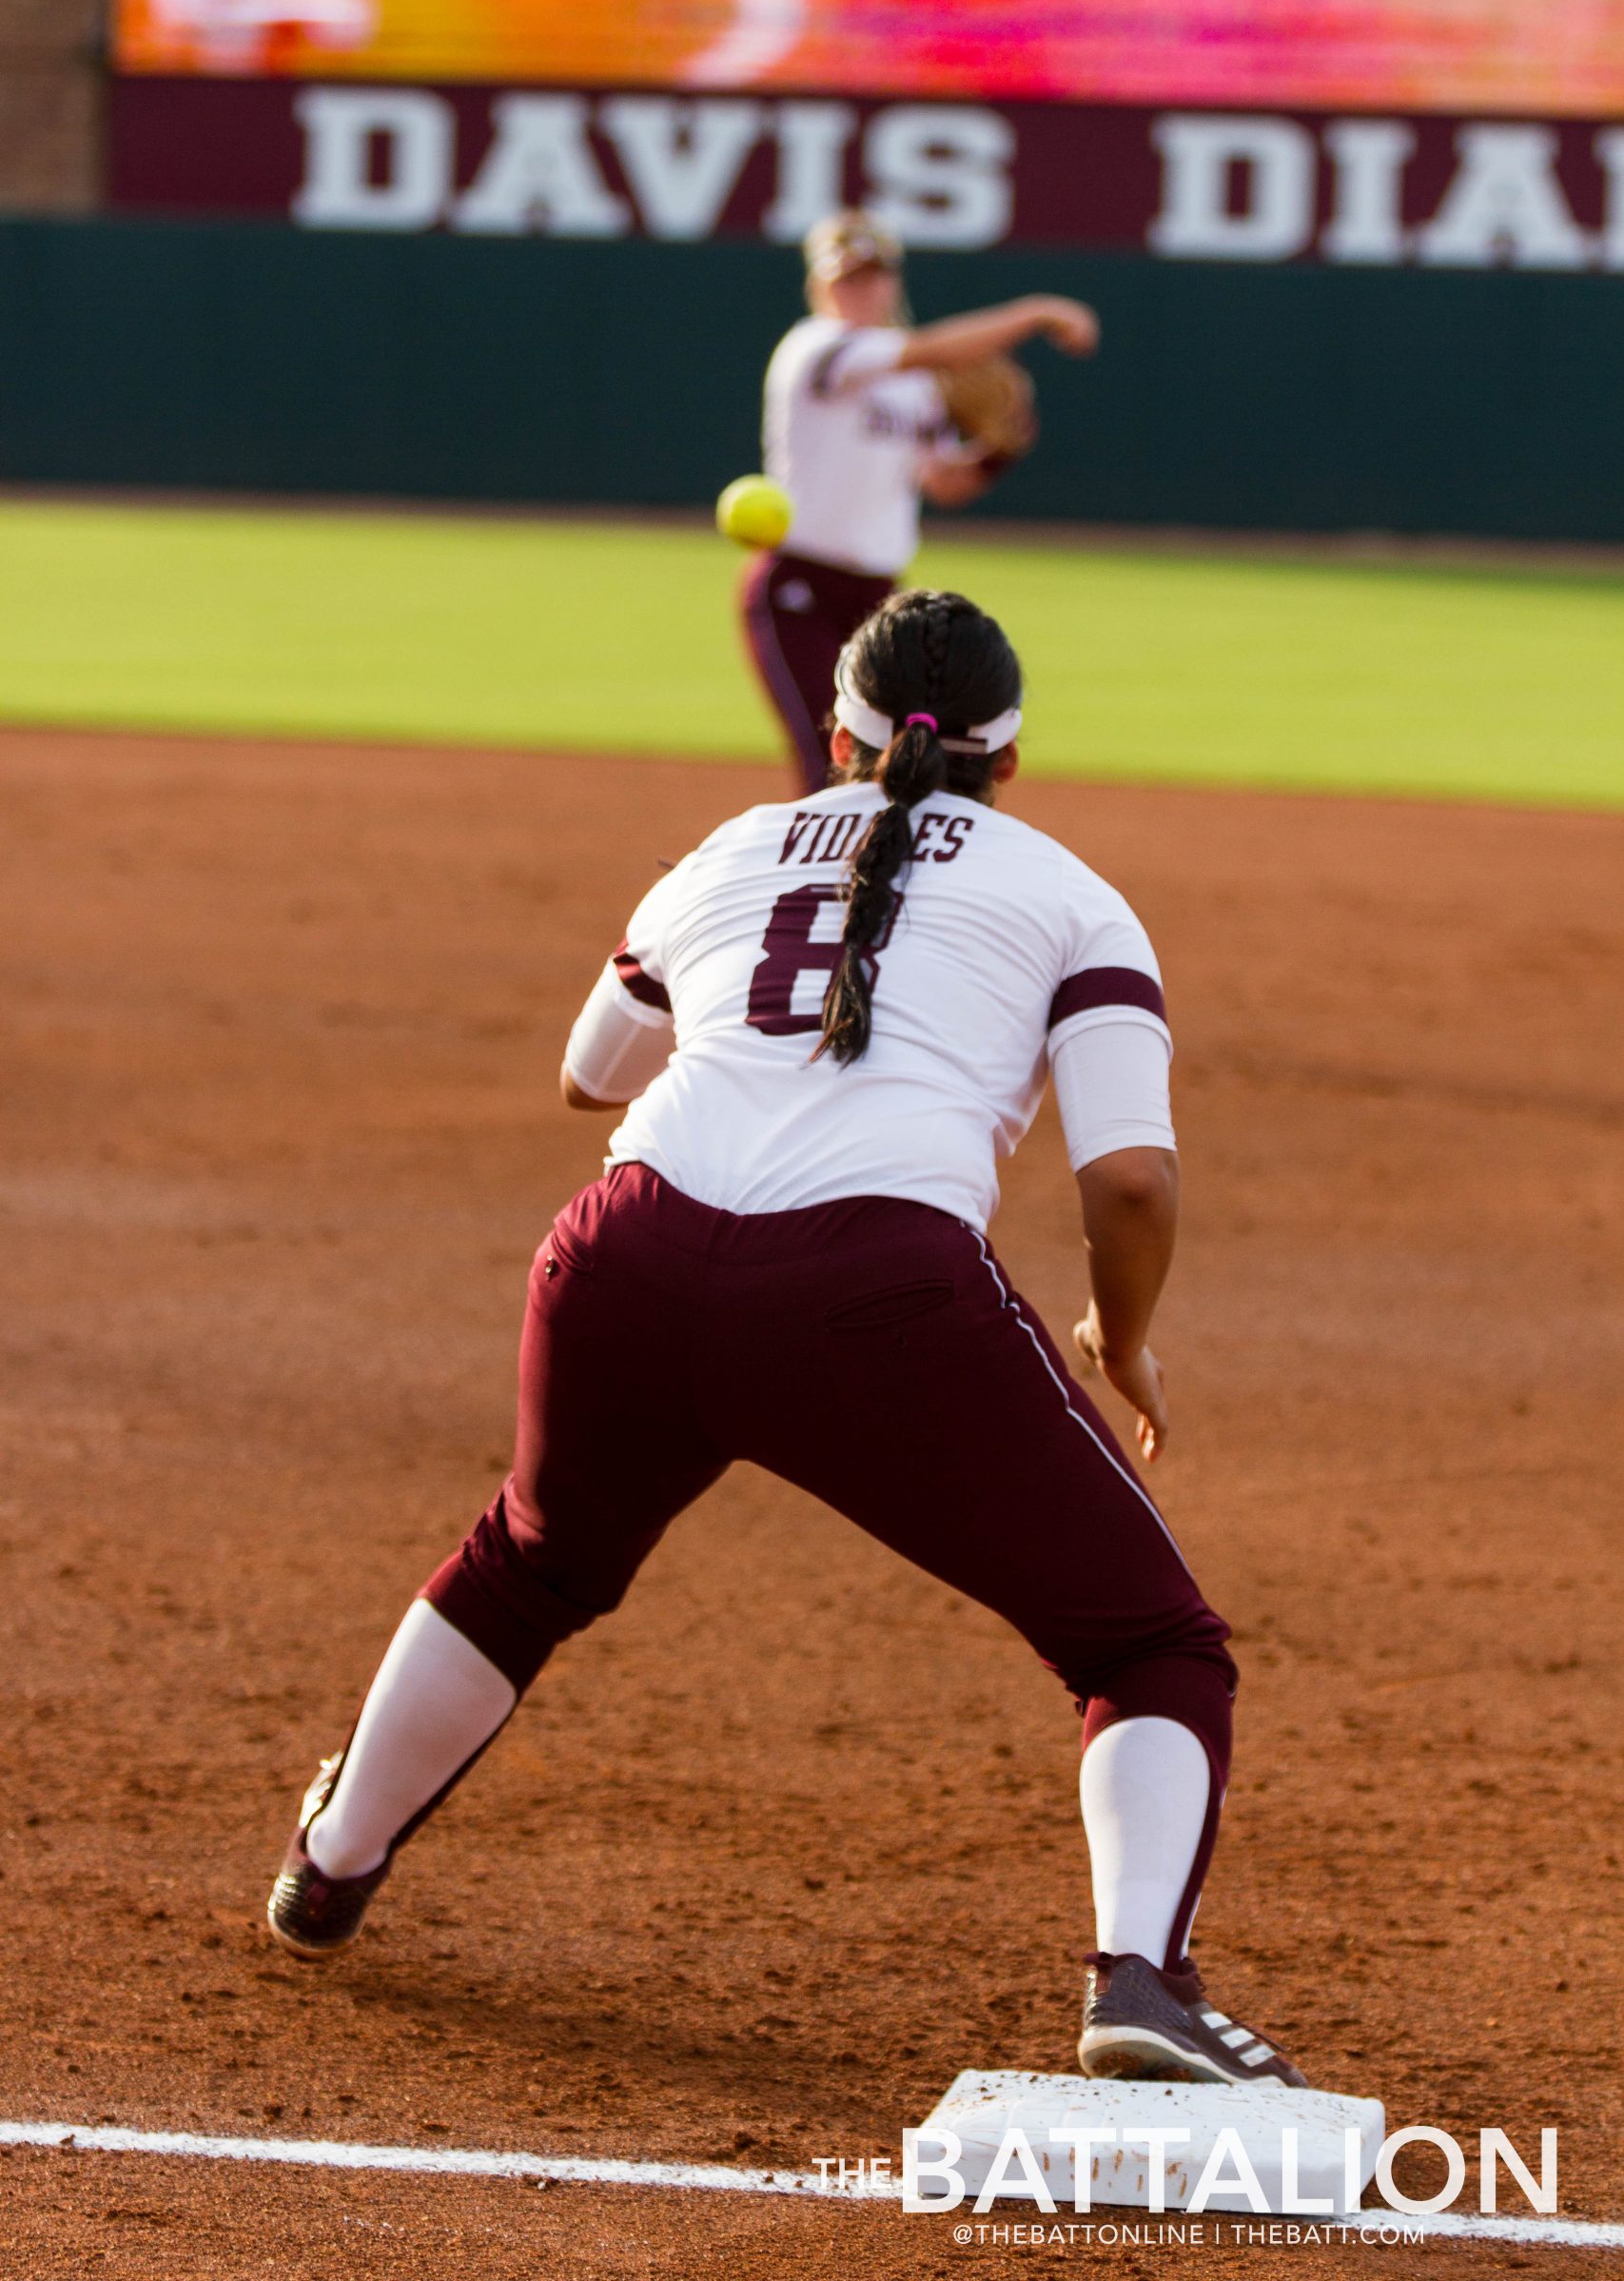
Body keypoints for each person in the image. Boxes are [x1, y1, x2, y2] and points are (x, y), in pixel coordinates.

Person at [268, 586, 1303, 2089]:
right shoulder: (1069, 893)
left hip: (623, 1258)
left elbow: (587, 1071)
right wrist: (1120, 1338)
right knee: (1146, 1645)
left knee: (527, 1561)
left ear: (835, 733)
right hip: (870, 1299)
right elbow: (1129, 1178)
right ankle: (1138, 1981)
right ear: (1012, 757)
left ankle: (332, 1861)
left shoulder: (728, 848)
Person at [740, 210, 1100, 796]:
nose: (859, 289)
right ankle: (825, 888)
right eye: (845, 277)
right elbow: (931, 348)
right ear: (818, 286)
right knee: (830, 757)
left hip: (880, 594)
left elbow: (943, 484)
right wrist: (1035, 313)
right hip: (798, 586)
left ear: (893, 282)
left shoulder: (916, 384)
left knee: (888, 759)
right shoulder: (818, 348)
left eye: (872, 275)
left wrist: (998, 451)